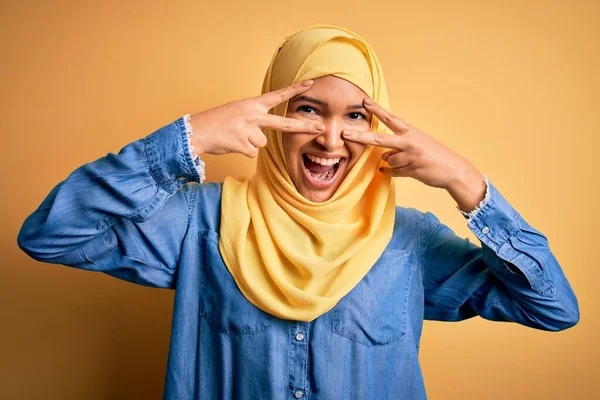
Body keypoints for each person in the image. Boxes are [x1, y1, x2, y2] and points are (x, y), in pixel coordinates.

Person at [17, 24, 579, 399]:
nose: (331, 139)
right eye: (307, 110)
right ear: (275, 111)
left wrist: (466, 181)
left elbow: (553, 308)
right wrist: (187, 138)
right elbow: (51, 234)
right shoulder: (201, 224)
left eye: (356, 116)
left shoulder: (409, 243)